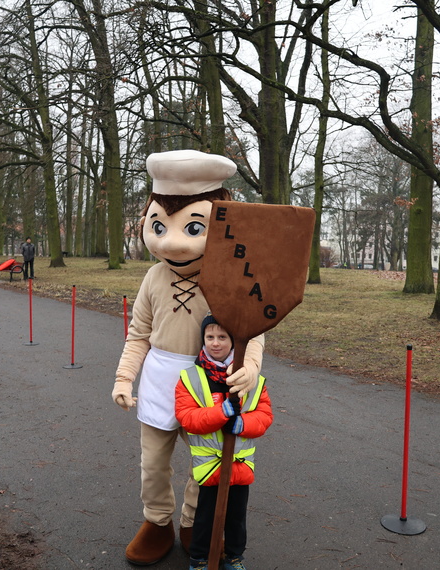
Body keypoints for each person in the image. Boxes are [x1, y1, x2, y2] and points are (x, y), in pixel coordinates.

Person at [113, 150, 265, 565]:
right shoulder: (153, 276)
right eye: (159, 225)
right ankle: (157, 521)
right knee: (153, 463)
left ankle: (194, 521)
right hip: (161, 380)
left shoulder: (229, 277)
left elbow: (252, 332)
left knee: (207, 462)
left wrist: (250, 368)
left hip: (208, 384)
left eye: (194, 226)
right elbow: (138, 333)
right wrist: (125, 378)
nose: (172, 241)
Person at [175, 315, 272, 570]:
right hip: (209, 467)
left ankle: (234, 557)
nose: (215, 343)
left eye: (222, 337)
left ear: (234, 342)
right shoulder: (190, 377)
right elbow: (187, 418)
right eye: (210, 337)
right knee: (205, 516)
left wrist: (242, 424)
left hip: (239, 466)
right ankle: (199, 559)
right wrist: (222, 414)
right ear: (202, 340)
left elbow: (264, 416)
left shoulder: (252, 379)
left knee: (236, 518)